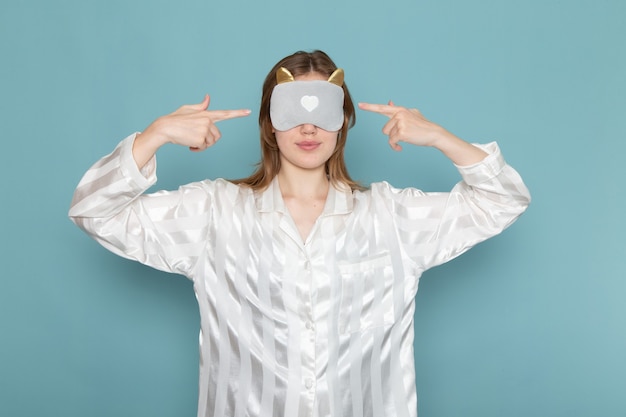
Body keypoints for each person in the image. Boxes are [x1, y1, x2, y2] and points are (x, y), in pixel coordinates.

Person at [69, 50, 530, 417]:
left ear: (343, 121)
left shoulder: (392, 216)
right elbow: (94, 212)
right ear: (270, 123)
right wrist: (154, 136)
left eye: (323, 112)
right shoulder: (213, 212)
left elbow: (503, 200)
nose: (308, 126)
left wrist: (442, 138)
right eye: (291, 111)